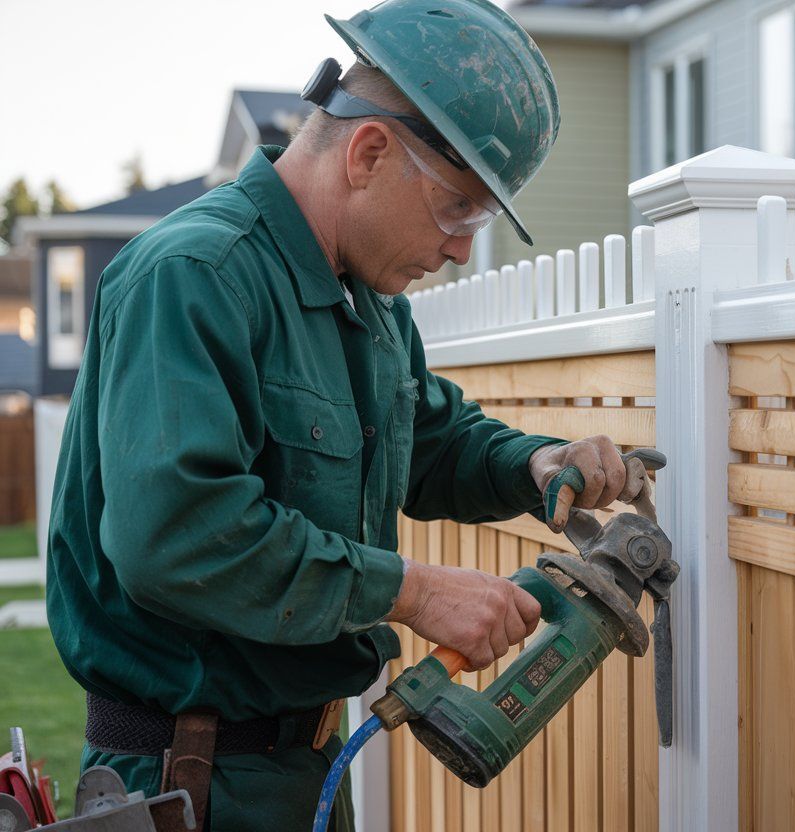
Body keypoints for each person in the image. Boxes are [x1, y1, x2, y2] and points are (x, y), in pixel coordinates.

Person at [45, 1, 637, 828]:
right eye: (460, 208)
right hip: (192, 781)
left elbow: (430, 437)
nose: (464, 245)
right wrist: (415, 590)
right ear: (368, 151)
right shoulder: (193, 276)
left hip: (303, 768)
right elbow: (176, 533)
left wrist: (534, 462)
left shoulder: (370, 303)